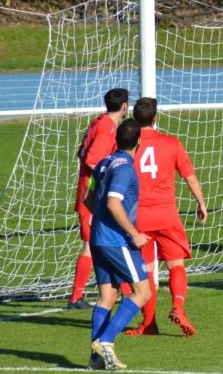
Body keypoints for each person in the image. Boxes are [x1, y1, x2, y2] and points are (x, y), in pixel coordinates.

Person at [122, 97, 207, 337]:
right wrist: (200, 202)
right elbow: (189, 177)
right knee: (176, 264)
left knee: (146, 270)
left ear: (134, 119)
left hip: (139, 217)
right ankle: (178, 307)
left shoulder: (130, 146)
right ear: (155, 118)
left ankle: (149, 323)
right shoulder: (171, 143)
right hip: (167, 214)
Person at [85, 118, 150, 371]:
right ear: (139, 141)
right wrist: (132, 233)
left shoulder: (102, 163)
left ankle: (96, 359)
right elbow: (113, 203)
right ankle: (106, 342)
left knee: (108, 296)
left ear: (116, 139)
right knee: (143, 292)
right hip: (116, 240)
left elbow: (87, 198)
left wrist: (101, 222)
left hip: (98, 238)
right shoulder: (125, 169)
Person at [68, 88, 129, 309]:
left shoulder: (98, 122)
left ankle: (123, 290)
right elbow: (92, 159)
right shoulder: (107, 128)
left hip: (91, 192)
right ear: (124, 106)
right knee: (94, 245)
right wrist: (110, 175)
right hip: (93, 195)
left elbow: (81, 152)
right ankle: (76, 298)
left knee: (104, 242)